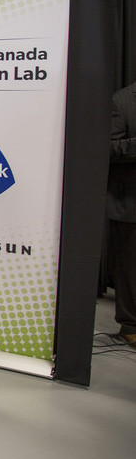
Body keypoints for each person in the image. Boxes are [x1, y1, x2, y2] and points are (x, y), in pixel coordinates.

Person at [108, 82, 136, 346]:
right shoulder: (122, 101)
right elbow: (106, 148)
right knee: (130, 268)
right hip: (129, 202)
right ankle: (130, 325)